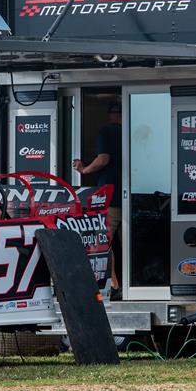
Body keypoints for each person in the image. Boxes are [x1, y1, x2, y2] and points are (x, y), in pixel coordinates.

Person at [73, 100, 123, 296]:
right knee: (120, 244)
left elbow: (104, 159)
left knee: (102, 242)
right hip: (130, 198)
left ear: (111, 115)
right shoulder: (130, 132)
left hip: (110, 198)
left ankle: (113, 285)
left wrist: (84, 169)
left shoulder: (107, 131)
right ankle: (119, 284)